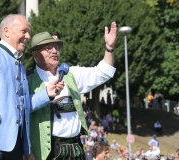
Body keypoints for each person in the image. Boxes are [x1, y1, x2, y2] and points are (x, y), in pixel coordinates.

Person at [0, 14, 64, 160]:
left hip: (14, 147)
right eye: (24, 31)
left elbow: (22, 105)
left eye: (28, 32)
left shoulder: (20, 65)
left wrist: (46, 94)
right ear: (6, 31)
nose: (28, 36)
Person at [26, 21, 117, 160]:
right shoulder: (28, 81)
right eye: (48, 48)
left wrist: (109, 48)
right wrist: (28, 152)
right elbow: (22, 120)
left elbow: (103, 73)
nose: (55, 51)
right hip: (46, 152)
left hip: (76, 147)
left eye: (56, 47)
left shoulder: (71, 74)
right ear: (35, 55)